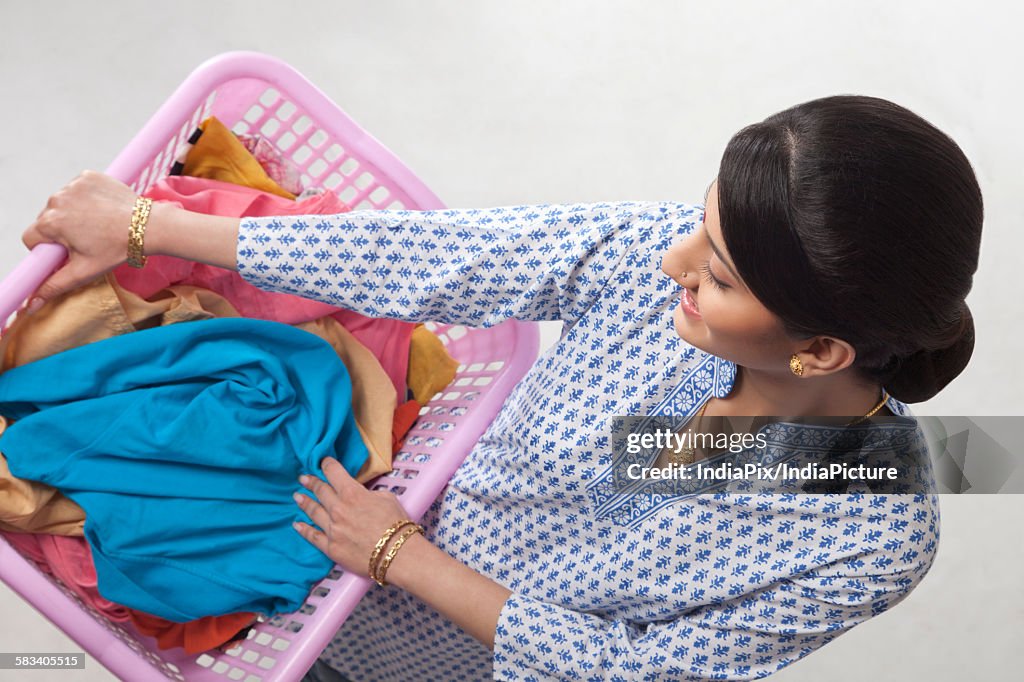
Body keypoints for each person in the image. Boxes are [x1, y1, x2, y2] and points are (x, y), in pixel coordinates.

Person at [19, 95, 982, 681]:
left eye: (720, 274)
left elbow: (637, 674)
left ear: (817, 352)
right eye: (700, 220)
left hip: (432, 656)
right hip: (320, 558)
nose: (674, 258)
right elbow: (437, 258)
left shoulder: (872, 535)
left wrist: (399, 556)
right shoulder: (658, 270)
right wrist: (148, 226)